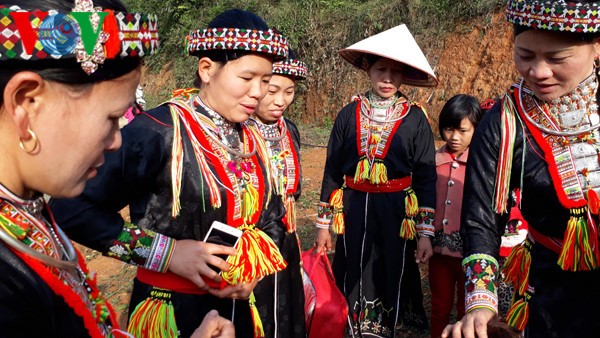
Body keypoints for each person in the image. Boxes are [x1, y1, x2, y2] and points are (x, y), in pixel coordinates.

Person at [49, 8, 289, 338]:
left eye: (265, 80)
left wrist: (252, 272)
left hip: (240, 309)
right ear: (207, 69)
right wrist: (168, 254)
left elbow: (273, 215)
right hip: (170, 311)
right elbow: (71, 210)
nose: (259, 92)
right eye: (247, 78)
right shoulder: (158, 132)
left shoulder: (253, 136)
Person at [0, 0, 233, 337]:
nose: (116, 142)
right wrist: (165, 254)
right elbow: (77, 214)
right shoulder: (158, 131)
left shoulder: (29, 213)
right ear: (26, 104)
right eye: (112, 119)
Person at [442, 0, 600, 337]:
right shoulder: (504, 121)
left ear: (596, 47)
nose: (539, 72)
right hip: (553, 291)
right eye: (525, 56)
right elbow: (480, 218)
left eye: (557, 58)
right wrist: (481, 302)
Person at [314, 24, 438, 337]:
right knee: (351, 261)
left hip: (396, 209)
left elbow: (425, 177)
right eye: (381, 70)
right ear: (368, 69)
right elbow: (332, 169)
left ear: (405, 75)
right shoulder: (349, 113)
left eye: (396, 73)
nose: (387, 79)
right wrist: (323, 225)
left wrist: (424, 233)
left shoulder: (415, 118)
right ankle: (349, 321)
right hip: (354, 205)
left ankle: (384, 326)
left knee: (390, 263)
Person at [249, 48, 308, 337]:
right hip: (252, 241)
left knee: (288, 302)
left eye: (289, 91)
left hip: (287, 234)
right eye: (272, 90)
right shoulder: (239, 132)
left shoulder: (291, 130)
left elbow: (294, 189)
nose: (280, 101)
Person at [429, 94, 483, 338]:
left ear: (476, 130)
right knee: (439, 306)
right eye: (449, 129)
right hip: (438, 252)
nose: (454, 137)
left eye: (463, 130)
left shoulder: (482, 165)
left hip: (469, 253)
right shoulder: (433, 162)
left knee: (466, 309)